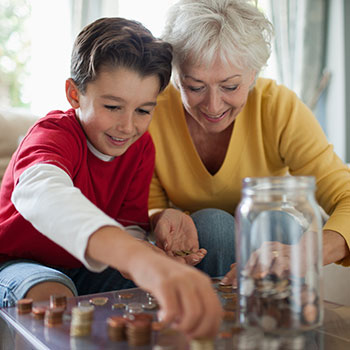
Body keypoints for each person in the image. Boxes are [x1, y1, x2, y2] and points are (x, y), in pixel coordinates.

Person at [0, 17, 222, 338]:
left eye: (144, 110)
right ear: (74, 94)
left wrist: (145, 252)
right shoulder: (53, 135)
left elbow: (127, 224)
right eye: (113, 106)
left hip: (87, 268)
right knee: (51, 294)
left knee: (156, 295)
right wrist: (133, 256)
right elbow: (42, 193)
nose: (127, 126)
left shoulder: (141, 148)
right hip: (16, 264)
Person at [148, 0, 350, 283]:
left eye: (230, 86)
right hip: (206, 244)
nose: (213, 106)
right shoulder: (152, 109)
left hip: (274, 238)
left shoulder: (278, 107)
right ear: (176, 77)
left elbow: (346, 195)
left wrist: (310, 252)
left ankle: (271, 320)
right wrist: (161, 217)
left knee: (272, 221)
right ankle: (214, 322)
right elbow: (151, 205)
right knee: (214, 226)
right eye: (195, 87)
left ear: (253, 73)